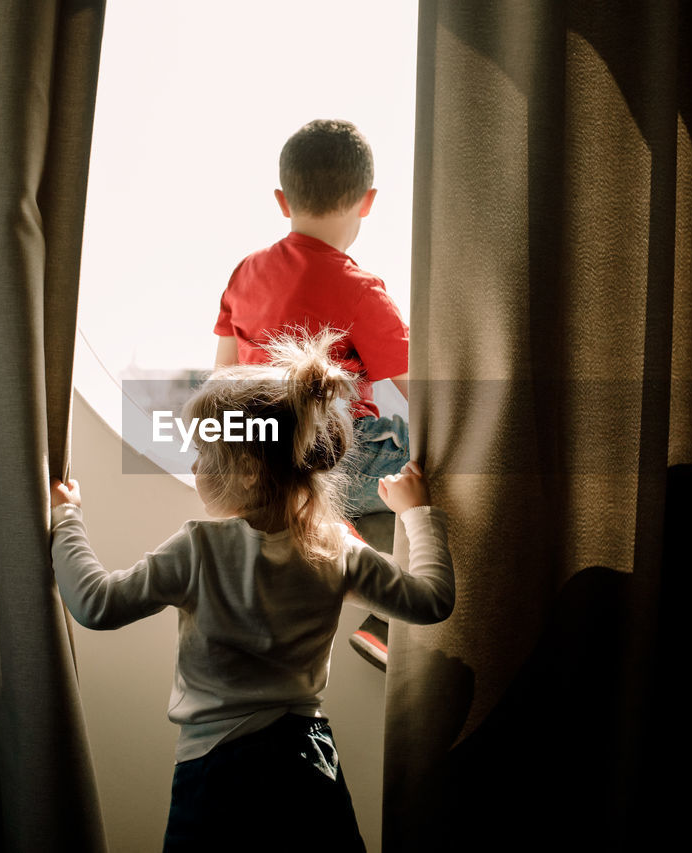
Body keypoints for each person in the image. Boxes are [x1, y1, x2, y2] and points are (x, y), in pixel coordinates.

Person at [50, 331, 454, 852]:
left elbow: (94, 604)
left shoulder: (198, 549)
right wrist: (416, 514)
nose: (194, 466)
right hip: (307, 766)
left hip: (216, 774)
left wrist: (66, 519)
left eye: (202, 452)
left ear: (244, 473)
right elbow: (432, 601)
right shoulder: (336, 550)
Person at [212, 118, 410, 519]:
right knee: (441, 457)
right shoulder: (360, 290)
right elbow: (427, 393)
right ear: (367, 201)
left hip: (265, 461)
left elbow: (222, 380)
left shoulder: (245, 273)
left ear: (282, 200)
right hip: (336, 465)